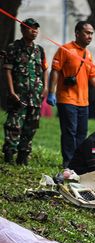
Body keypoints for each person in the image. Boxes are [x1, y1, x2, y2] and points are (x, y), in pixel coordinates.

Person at [47, 21, 95, 168]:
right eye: (87, 33)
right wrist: (51, 92)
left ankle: (77, 161)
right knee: (69, 131)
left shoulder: (87, 54)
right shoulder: (65, 49)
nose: (90, 36)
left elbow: (93, 77)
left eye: (91, 33)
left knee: (81, 133)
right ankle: (68, 162)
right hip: (66, 98)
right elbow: (55, 70)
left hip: (83, 101)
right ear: (77, 33)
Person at [3, 18, 48, 165]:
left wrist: (45, 88)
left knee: (31, 127)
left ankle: (23, 156)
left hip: (35, 96)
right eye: (30, 28)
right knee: (14, 126)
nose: (34, 31)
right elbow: (8, 70)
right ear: (23, 29)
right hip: (18, 95)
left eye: (36, 28)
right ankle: (9, 154)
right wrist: (11, 91)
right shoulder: (13, 47)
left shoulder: (39, 50)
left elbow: (44, 70)